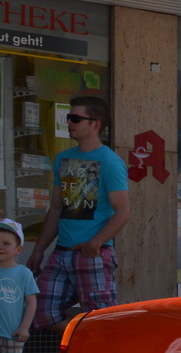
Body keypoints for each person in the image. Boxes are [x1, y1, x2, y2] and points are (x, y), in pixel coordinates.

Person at [26, 95, 129, 329]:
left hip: (93, 253)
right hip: (61, 251)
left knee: (102, 319)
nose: (69, 122)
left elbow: (123, 211)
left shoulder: (110, 162)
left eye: (75, 118)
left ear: (95, 124)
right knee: (41, 314)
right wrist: (39, 250)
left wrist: (95, 243)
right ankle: (83, 341)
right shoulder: (63, 158)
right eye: (68, 117)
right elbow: (56, 208)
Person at [0, 218, 39, 353]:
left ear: (18, 249)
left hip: (13, 332)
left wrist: (25, 327)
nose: (1, 247)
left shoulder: (23, 273)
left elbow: (31, 302)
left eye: (6, 243)